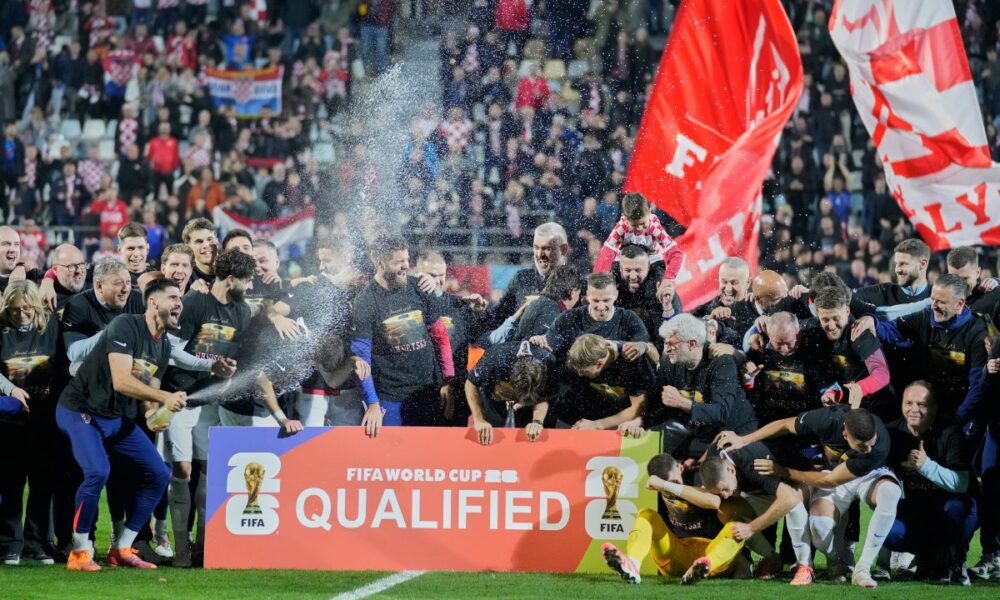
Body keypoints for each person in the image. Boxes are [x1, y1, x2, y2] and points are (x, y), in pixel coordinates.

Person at [56, 278, 185, 571]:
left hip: (115, 418)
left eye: (180, 298)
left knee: (158, 473)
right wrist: (165, 396)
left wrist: (155, 415)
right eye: (173, 297)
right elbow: (122, 380)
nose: (180, 303)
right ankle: (79, 552)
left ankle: (122, 547)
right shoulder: (125, 324)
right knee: (98, 472)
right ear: (153, 302)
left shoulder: (163, 344)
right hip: (80, 411)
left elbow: (149, 391)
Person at [717, 406, 898, 588]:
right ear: (845, 434)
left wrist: (785, 472)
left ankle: (863, 569)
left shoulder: (879, 445)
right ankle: (834, 561)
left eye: (870, 442)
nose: (868, 449)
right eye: (861, 445)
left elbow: (830, 481)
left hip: (868, 475)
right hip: (832, 473)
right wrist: (744, 439)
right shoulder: (827, 420)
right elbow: (785, 425)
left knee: (890, 493)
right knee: (819, 527)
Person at [163, 249, 249, 567]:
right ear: (230, 280)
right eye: (246, 281)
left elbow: (236, 356)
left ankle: (203, 544)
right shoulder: (194, 304)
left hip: (211, 403)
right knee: (182, 472)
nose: (249, 287)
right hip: (180, 398)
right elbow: (171, 352)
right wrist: (210, 366)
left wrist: (227, 377)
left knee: (210, 476)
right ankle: (181, 545)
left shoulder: (242, 311)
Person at [350, 235, 455, 430]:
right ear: (380, 263)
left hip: (429, 392)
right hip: (391, 399)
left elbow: (440, 336)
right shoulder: (365, 302)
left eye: (407, 259)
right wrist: (372, 403)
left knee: (429, 457)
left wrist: (449, 380)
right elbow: (362, 359)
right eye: (398, 262)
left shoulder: (420, 287)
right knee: (394, 459)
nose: (406, 265)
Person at [852, 273, 989, 422]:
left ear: (959, 304)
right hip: (928, 406)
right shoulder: (924, 317)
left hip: (963, 411)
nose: (934, 306)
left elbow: (978, 385)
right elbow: (891, 331)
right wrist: (872, 321)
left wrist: (958, 419)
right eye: (933, 300)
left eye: (941, 302)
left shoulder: (978, 332)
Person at [601, 452, 750, 584]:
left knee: (737, 525)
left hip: (711, 551)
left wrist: (665, 485)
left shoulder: (698, 476)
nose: (670, 487)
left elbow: (714, 502)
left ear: (680, 468)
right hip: (677, 554)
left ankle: (705, 567)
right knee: (646, 514)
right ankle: (632, 564)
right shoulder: (660, 482)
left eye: (675, 482)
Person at [884, 381, 975, 585]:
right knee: (890, 532)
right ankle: (929, 555)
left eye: (922, 404)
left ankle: (956, 562)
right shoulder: (891, 432)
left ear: (934, 408)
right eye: (908, 403)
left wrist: (925, 466)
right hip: (918, 509)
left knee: (956, 507)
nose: (914, 409)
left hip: (953, 508)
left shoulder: (950, 432)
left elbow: (962, 484)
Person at [0, 282, 62, 566]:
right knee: (11, 482)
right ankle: (9, 544)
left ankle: (38, 544)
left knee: (43, 482)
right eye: (15, 311)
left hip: (45, 419)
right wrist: (10, 389)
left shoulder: (52, 327)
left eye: (26, 309)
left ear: (36, 307)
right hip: (9, 421)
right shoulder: (1, 330)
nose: (22, 315)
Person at [638, 314, 756, 460]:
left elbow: (721, 412)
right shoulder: (670, 363)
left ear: (692, 344)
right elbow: (663, 405)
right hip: (701, 431)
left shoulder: (721, 363)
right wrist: (641, 422)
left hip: (735, 433)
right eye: (665, 343)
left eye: (671, 344)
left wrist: (681, 402)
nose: (667, 350)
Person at [699, 443, 815, 585]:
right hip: (765, 492)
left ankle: (805, 566)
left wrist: (751, 527)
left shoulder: (752, 464)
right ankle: (770, 557)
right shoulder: (715, 459)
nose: (725, 495)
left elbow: (788, 497)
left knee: (792, 500)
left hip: (803, 483)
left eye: (724, 489)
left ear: (730, 470)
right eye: (719, 493)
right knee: (725, 510)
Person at [415, 251, 490, 425]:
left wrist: (481, 314)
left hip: (455, 392)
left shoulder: (459, 305)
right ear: (417, 273)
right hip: (419, 392)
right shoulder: (408, 304)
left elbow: (483, 339)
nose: (439, 280)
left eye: (442, 275)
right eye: (432, 275)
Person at [531, 271, 648, 358]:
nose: (601, 307)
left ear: (616, 295)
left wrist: (642, 346)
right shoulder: (568, 319)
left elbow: (645, 348)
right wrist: (541, 341)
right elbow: (549, 347)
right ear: (587, 296)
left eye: (606, 300)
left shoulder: (629, 319)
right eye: (596, 301)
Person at [552, 333, 656, 430]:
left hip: (637, 415)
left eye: (584, 371)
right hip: (602, 403)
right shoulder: (586, 351)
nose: (580, 374)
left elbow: (636, 410)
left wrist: (596, 425)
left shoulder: (634, 361)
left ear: (599, 363)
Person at [466, 340, 554, 444]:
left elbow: (544, 397)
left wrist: (537, 421)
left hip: (530, 402)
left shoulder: (549, 362)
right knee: (493, 432)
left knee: (531, 435)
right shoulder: (495, 358)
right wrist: (479, 420)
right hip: (496, 396)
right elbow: (470, 384)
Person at [593, 192, 684, 290]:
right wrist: (598, 284)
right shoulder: (621, 227)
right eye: (634, 225)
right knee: (611, 282)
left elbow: (676, 254)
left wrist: (668, 279)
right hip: (627, 261)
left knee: (659, 283)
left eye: (643, 223)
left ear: (649, 212)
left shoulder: (654, 227)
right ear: (625, 218)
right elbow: (606, 254)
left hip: (651, 260)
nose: (640, 228)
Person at [492, 222, 570, 326]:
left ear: (563, 249)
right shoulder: (521, 278)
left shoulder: (576, 284)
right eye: (536, 248)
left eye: (547, 248)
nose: (539, 255)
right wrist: (480, 312)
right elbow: (498, 318)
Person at [612, 244, 682, 341]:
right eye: (627, 270)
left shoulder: (660, 287)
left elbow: (672, 334)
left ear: (648, 267)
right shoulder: (611, 283)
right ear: (620, 269)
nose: (632, 276)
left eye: (638, 270)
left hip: (654, 341)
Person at [509, 264, 582, 341]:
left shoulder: (544, 302)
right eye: (579, 293)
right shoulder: (551, 310)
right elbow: (545, 347)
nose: (578, 299)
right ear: (573, 291)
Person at [181, 218, 218, 286]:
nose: (206, 245)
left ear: (217, 241)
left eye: (210, 239)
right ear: (188, 247)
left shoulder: (230, 273)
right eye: (199, 241)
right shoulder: (184, 282)